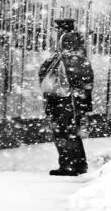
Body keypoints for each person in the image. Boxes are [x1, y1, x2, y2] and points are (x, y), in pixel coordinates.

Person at [38, 18, 93, 176]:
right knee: (70, 131)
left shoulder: (67, 46)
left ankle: (69, 165)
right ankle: (77, 164)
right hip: (68, 99)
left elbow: (71, 74)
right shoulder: (74, 52)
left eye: (58, 29)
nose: (56, 32)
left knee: (64, 132)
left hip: (64, 99)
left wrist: (72, 94)